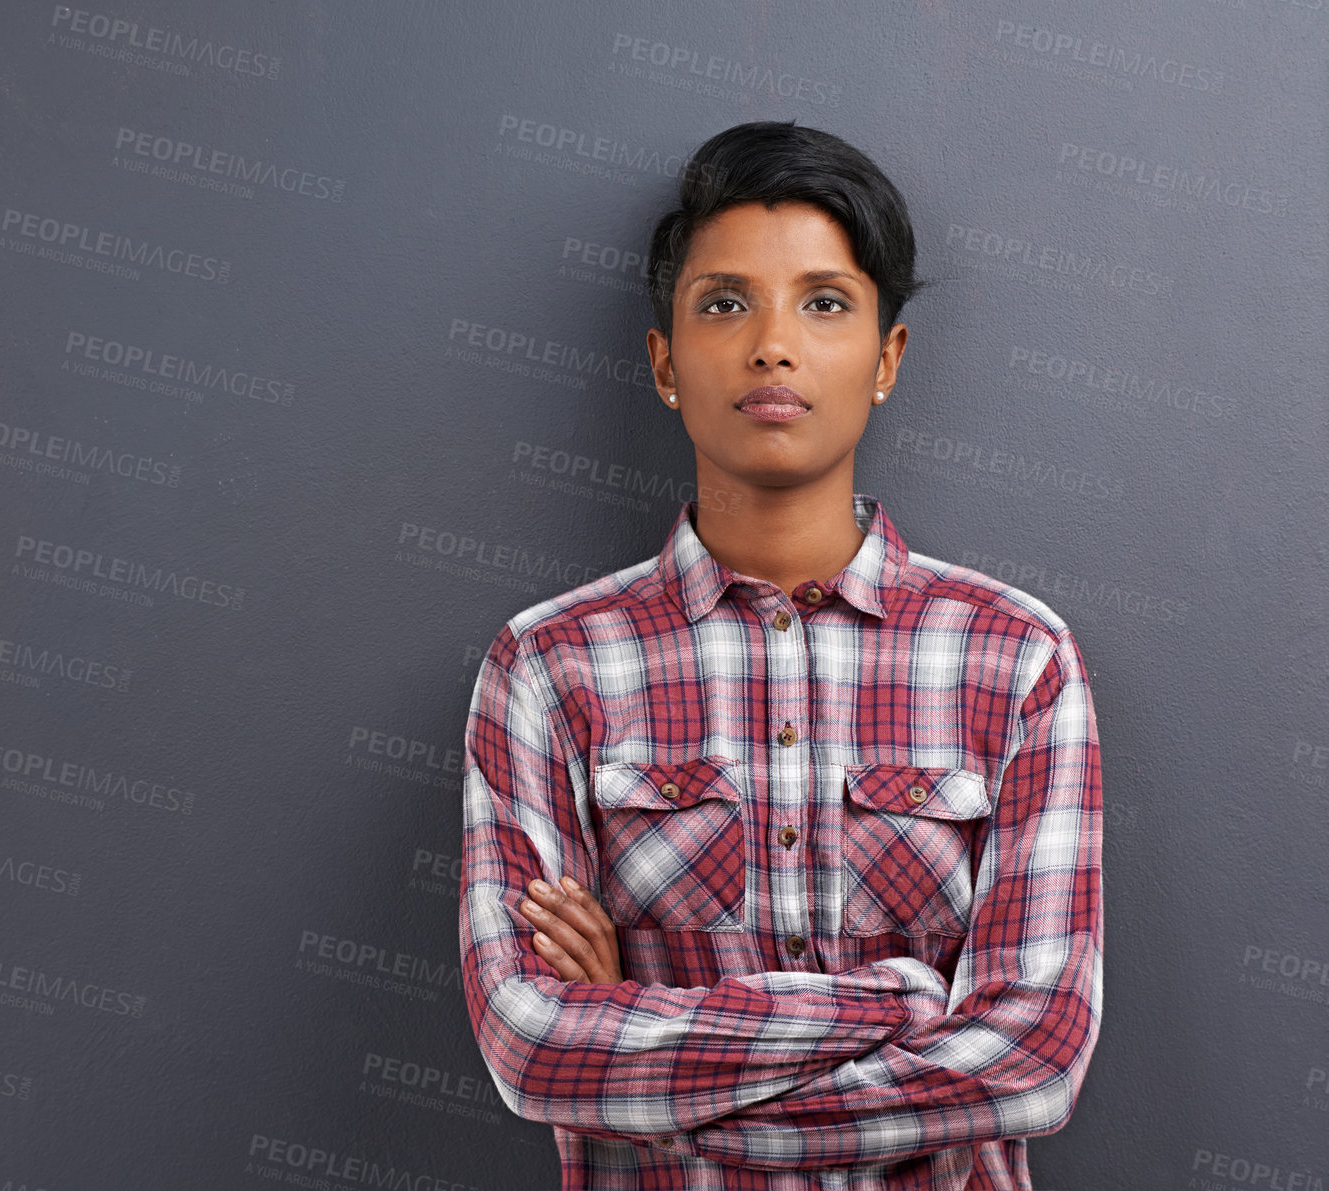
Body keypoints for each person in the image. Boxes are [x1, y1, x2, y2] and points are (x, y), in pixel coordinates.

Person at [457, 120, 1103, 1190]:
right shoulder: (547, 667)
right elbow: (532, 1044)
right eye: (722, 303)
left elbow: (1029, 1062)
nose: (770, 343)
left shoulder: (1015, 660)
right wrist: (902, 1001)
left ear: (885, 359)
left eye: (822, 302)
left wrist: (652, 1059)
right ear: (663, 363)